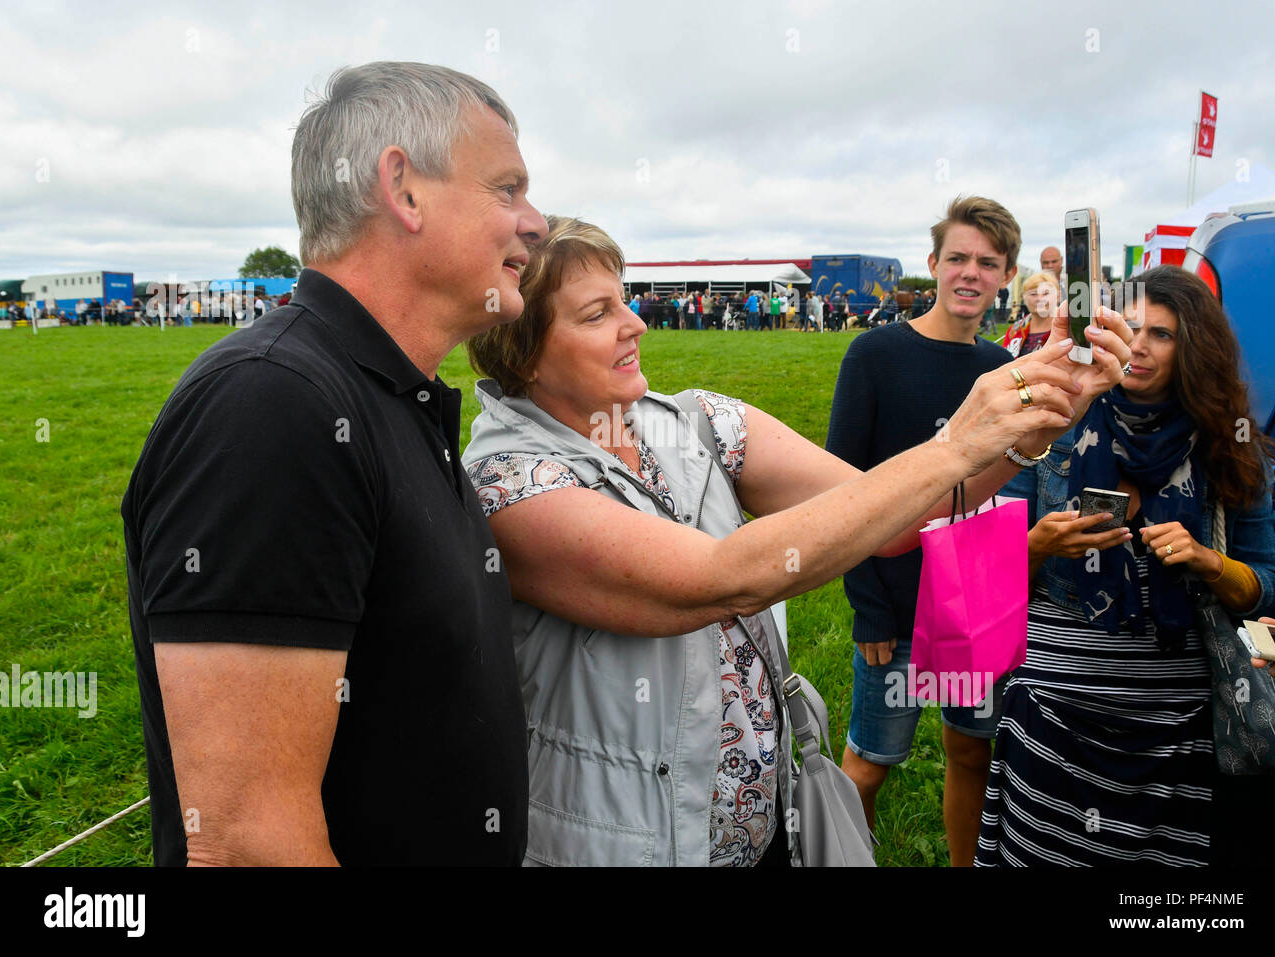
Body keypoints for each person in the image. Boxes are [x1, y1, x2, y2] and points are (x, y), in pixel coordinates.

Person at [461, 213, 1128, 867]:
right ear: (524, 348)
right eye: (597, 312)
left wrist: (1025, 431)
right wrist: (954, 443)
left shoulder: (696, 423)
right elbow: (723, 577)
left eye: (625, 299)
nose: (635, 322)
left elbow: (890, 521)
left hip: (770, 826)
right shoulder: (509, 483)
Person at [123, 61, 546, 866]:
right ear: (403, 188)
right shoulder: (273, 404)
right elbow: (248, 839)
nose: (535, 222)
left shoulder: (385, 395)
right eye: (506, 189)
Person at [824, 196, 1129, 866]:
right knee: (871, 762)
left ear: (1006, 275)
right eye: (957, 257)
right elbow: (840, 490)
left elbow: (1008, 471)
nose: (969, 272)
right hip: (896, 605)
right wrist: (870, 611)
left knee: (970, 751)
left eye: (986, 263)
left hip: (973, 596)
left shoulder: (1003, 367)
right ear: (933, 263)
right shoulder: (874, 352)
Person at [976, 266, 1275, 867]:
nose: (1138, 345)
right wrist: (1038, 544)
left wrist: (1207, 562)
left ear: (1195, 348)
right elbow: (984, 568)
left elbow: (1269, 589)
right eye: (1129, 326)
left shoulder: (1229, 445)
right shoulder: (1052, 426)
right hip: (1051, 712)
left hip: (1174, 730)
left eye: (1162, 334)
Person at [1001, 271, 1061, 358]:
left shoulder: (1068, 329)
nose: (1040, 299)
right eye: (1033, 294)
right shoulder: (1014, 331)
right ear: (1024, 298)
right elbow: (1004, 363)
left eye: (1046, 293)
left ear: (1058, 296)